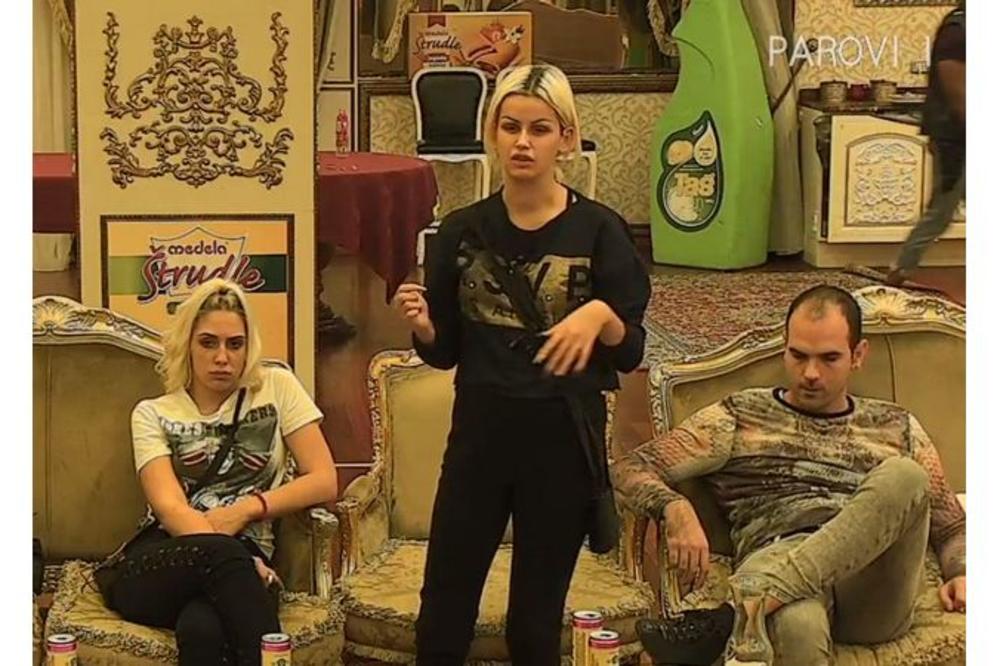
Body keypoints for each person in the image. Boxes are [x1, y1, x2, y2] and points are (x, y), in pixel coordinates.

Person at [391, 64, 651, 663]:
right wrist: (426, 328)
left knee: (534, 624)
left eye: (539, 129)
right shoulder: (461, 232)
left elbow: (631, 349)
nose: (523, 143)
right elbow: (446, 353)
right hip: (480, 435)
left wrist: (600, 317)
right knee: (443, 612)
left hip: (561, 440)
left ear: (566, 138)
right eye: (510, 127)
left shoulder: (600, 231)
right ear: (492, 134)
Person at [614, 286, 965, 665]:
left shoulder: (896, 425)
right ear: (785, 348)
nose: (811, 373)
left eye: (829, 358)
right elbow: (629, 468)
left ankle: (736, 613)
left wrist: (963, 571)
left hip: (871, 587)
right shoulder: (741, 415)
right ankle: (758, 605)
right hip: (777, 553)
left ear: (858, 355)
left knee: (904, 476)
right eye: (798, 355)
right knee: (799, 628)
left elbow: (951, 525)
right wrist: (674, 507)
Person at [97, 279, 338, 666]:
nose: (222, 357)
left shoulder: (277, 387)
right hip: (164, 558)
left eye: (235, 344)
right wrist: (237, 558)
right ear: (187, 346)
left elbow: (324, 479)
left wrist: (247, 509)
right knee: (224, 564)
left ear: (248, 348)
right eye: (208, 343)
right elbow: (171, 508)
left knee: (201, 631)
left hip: (243, 564)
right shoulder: (152, 413)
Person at [886, 3, 965, 286]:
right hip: (956, 138)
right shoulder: (958, 29)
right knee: (941, 210)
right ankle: (901, 268)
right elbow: (956, 87)